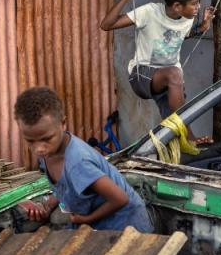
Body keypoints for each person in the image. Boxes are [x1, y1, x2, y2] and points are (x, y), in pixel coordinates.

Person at [13, 86, 152, 232]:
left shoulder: (78, 162)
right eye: (30, 141)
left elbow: (120, 199)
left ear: (63, 123)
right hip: (101, 223)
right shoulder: (48, 153)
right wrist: (47, 206)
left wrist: (86, 220)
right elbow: (66, 188)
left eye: (46, 139)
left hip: (127, 226)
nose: (39, 148)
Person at [99, 0, 215, 142]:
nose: (198, 7)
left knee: (171, 132)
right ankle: (189, 137)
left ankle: (185, 144)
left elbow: (181, 34)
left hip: (168, 83)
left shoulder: (186, 18)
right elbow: (106, 25)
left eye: (198, 2)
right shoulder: (149, 12)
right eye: (194, 3)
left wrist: (203, 26)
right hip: (142, 76)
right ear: (177, 6)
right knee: (175, 74)